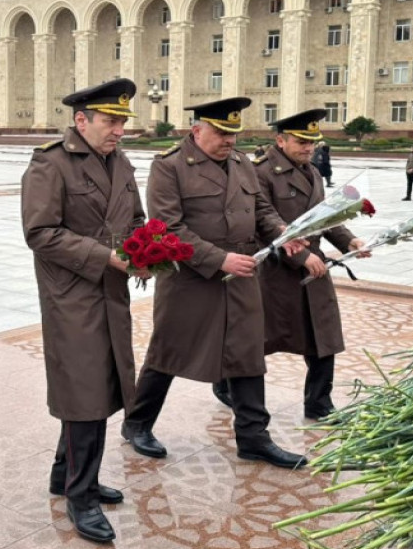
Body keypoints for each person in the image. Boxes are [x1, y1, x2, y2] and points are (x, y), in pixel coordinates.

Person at [121, 97, 307, 470]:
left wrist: (283, 232)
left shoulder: (240, 163)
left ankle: (254, 437)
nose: (229, 141)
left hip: (242, 272)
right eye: (221, 133)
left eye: (233, 134)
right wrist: (218, 259)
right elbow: (167, 228)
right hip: (191, 277)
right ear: (197, 130)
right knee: (168, 351)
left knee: (246, 353)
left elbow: (261, 210)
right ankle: (137, 424)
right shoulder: (170, 166)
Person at [21, 79, 146, 544]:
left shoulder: (120, 161)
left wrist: (145, 251)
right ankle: (81, 496)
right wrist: (105, 257)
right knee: (86, 392)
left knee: (100, 383)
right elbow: (40, 233)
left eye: (122, 122)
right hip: (71, 293)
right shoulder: (50, 164)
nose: (119, 130)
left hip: (111, 290)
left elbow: (135, 217)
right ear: (81, 120)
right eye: (111, 121)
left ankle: (65, 475)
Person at [247, 110, 370, 419]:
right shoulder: (260, 173)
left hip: (314, 268)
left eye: (312, 143)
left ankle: (319, 402)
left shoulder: (312, 171)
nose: (308, 148)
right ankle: (227, 383)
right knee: (257, 340)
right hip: (275, 271)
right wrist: (301, 256)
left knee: (324, 336)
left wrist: (349, 241)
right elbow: (261, 224)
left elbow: (323, 218)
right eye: (301, 142)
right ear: (280, 139)